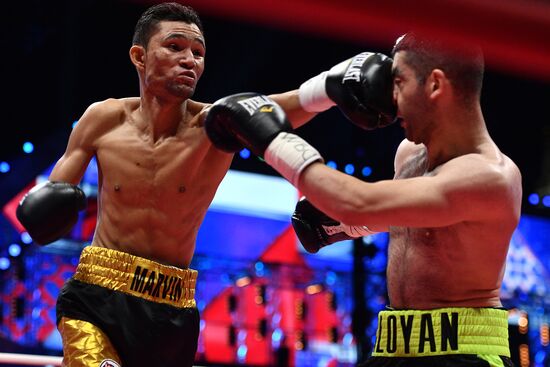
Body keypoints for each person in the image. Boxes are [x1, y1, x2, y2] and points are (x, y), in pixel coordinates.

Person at [15, 3, 395, 366]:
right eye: (175, 46)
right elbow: (53, 194)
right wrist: (44, 210)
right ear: (139, 56)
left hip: (172, 308)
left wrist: (333, 85)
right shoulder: (103, 118)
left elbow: (284, 105)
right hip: (95, 296)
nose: (189, 59)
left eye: (198, 52)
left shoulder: (215, 127)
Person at [204, 32, 522, 367]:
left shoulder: (491, 176)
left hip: (465, 353)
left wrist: (272, 139)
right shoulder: (410, 154)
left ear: (435, 85)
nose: (390, 98)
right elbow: (410, 212)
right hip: (394, 346)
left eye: (398, 81)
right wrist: (346, 226)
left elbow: (360, 201)